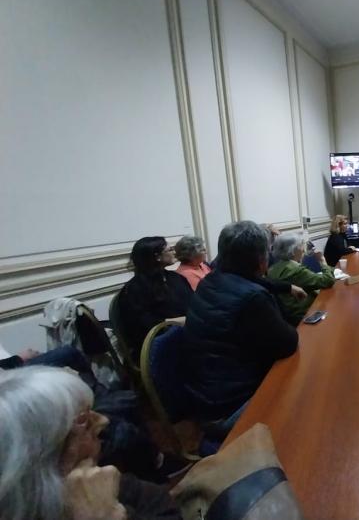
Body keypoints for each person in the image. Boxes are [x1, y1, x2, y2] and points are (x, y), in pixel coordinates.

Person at [0, 366, 182, 520]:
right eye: (83, 421)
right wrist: (106, 514)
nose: (103, 421)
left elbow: (164, 508)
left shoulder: (112, 483)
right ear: (41, 454)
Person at [183, 220, 299, 438]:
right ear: (261, 259)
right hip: (232, 411)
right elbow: (288, 343)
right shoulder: (253, 298)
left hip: (204, 402)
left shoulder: (211, 280)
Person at [117, 237, 193, 361]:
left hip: (187, 333)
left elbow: (193, 303)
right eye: (170, 249)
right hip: (160, 345)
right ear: (157, 257)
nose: (174, 252)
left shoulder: (175, 278)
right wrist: (181, 321)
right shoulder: (134, 289)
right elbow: (143, 325)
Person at [268, 232, 335, 324]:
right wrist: (322, 261)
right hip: (306, 314)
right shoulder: (295, 270)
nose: (303, 250)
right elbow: (328, 280)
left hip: (289, 316)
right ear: (292, 251)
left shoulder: (272, 269)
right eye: (301, 246)